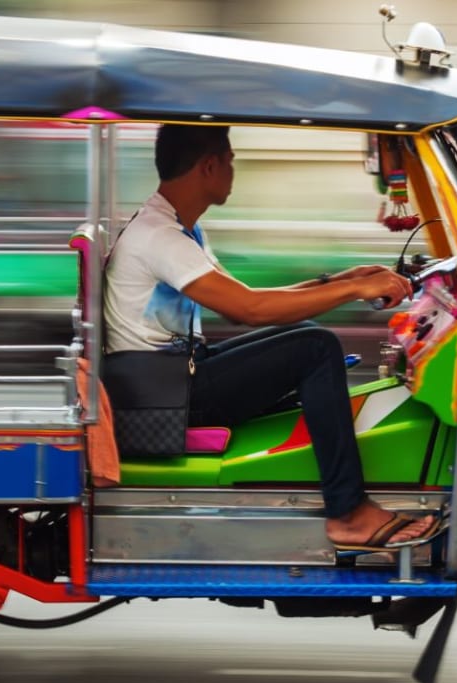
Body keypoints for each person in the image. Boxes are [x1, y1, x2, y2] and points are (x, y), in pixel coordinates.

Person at [103, 124, 434, 550]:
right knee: (316, 348)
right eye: (230, 161)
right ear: (209, 166)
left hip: (170, 380)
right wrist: (351, 291)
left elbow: (242, 302)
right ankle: (348, 512)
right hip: (164, 398)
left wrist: (338, 279)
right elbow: (249, 309)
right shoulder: (160, 237)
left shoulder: (174, 228)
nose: (232, 170)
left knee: (307, 336)